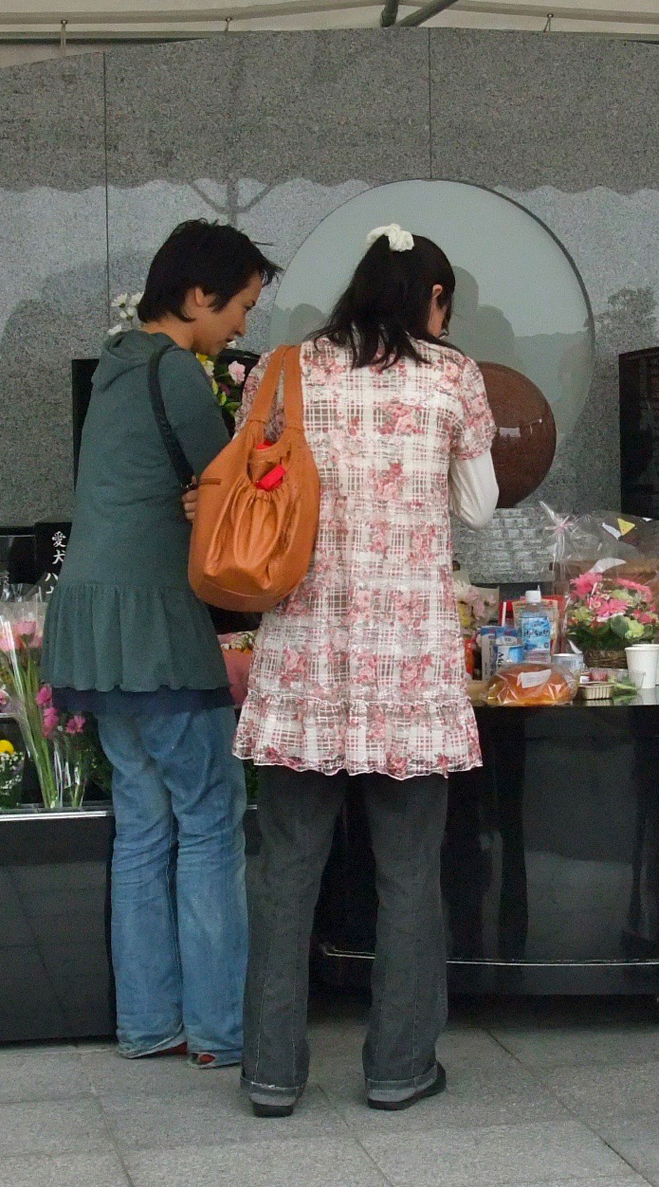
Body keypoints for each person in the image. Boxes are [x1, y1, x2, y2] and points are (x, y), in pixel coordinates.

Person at [236, 225, 498, 1117]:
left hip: (303, 658)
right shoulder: (451, 375)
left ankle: (271, 1072)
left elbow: (253, 480)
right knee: (407, 874)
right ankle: (398, 1066)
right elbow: (480, 503)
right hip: (408, 663)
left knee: (284, 872)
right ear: (432, 300)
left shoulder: (285, 369)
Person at [43, 219, 280, 1069]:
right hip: (156, 628)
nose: (244, 326)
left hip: (95, 630)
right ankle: (218, 1028)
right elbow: (240, 487)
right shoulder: (178, 372)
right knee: (212, 822)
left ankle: (148, 1024)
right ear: (195, 296)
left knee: (141, 827)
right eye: (242, 306)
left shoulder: (115, 364)